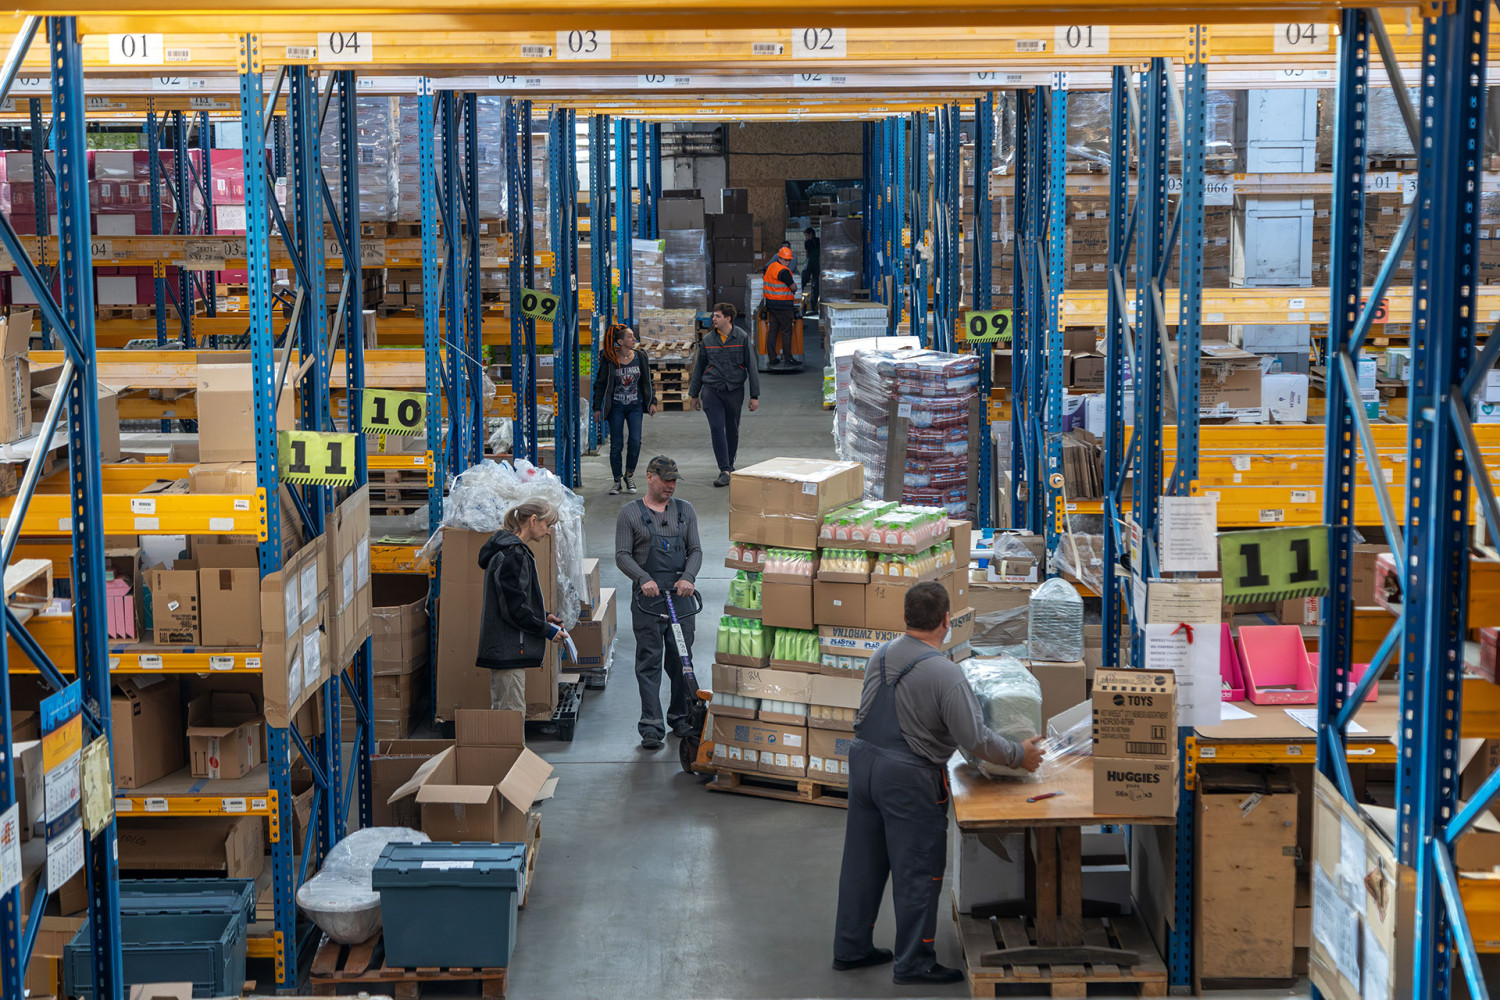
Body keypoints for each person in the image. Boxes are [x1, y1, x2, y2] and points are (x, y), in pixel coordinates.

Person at [833, 581, 1045, 986]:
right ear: (947, 621)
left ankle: (851, 948)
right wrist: (1019, 754)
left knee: (863, 864)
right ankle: (913, 962)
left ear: (905, 617)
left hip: (863, 765)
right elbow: (976, 740)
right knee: (918, 870)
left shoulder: (880, 655)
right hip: (907, 778)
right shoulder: (947, 674)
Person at [616, 455, 703, 750]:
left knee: (681, 660)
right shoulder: (630, 513)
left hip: (681, 596)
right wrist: (642, 578)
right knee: (649, 661)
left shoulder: (685, 510)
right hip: (649, 599)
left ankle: (681, 716)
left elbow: (695, 550)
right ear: (649, 476)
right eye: (665, 480)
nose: (670, 486)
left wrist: (688, 577)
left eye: (674, 481)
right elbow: (622, 555)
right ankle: (651, 725)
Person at [475, 499, 571, 712]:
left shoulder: (508, 550)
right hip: (508, 650)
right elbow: (514, 610)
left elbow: (513, 600)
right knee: (512, 716)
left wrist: (542, 615)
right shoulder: (513, 555)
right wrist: (546, 630)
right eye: (547, 525)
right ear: (533, 520)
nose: (548, 531)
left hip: (505, 648)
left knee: (504, 714)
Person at [689, 302, 760, 488]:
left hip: (734, 390)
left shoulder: (741, 337)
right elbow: (699, 368)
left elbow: (752, 367)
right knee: (716, 428)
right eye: (714, 316)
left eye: (717, 316)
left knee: (732, 429)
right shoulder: (708, 340)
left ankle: (729, 465)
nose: (713, 319)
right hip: (711, 389)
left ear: (728, 318)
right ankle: (724, 469)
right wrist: (694, 394)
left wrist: (754, 395)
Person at [591, 323, 657, 496]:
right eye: (629, 336)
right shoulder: (610, 360)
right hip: (616, 408)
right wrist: (597, 407)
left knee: (635, 441)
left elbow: (648, 382)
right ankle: (617, 480)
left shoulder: (640, 356)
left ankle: (629, 475)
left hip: (635, 406)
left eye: (633, 336)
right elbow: (600, 384)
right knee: (616, 445)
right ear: (620, 341)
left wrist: (652, 401)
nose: (634, 339)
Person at [761, 245, 799, 367]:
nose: (788, 262)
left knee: (773, 331)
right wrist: (794, 288)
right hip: (783, 306)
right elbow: (793, 287)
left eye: (789, 260)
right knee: (787, 331)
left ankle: (772, 358)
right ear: (780, 258)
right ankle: (788, 359)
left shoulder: (771, 267)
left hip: (771, 305)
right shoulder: (784, 272)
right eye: (786, 260)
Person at [802, 226, 821, 313]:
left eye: (806, 235)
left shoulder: (807, 242)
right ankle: (812, 306)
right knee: (815, 285)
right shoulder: (819, 241)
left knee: (803, 281)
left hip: (809, 263)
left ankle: (799, 300)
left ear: (810, 234)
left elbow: (806, 254)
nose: (806, 237)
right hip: (818, 264)